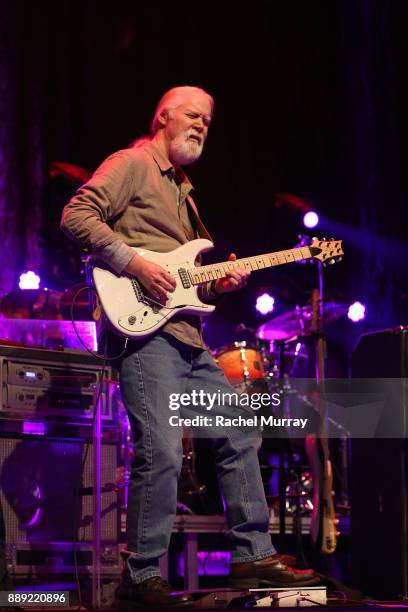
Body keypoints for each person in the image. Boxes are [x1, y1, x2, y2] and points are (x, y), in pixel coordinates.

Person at [61, 85, 317, 607]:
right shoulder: (132, 163)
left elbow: (183, 279)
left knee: (238, 433)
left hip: (186, 337)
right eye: (192, 115)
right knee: (160, 451)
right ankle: (141, 575)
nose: (201, 124)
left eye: (208, 120)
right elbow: (76, 216)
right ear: (162, 116)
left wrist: (214, 285)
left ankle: (251, 556)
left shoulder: (185, 194)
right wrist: (133, 263)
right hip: (144, 335)